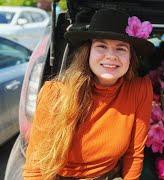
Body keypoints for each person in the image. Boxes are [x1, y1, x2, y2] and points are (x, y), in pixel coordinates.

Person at [23, 9, 154, 180]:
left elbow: (134, 154)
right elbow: (36, 168)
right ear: (88, 52)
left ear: (131, 57)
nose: (111, 56)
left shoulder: (139, 89)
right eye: (101, 46)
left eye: (121, 48)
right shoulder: (55, 93)